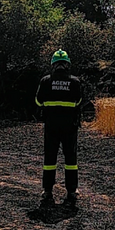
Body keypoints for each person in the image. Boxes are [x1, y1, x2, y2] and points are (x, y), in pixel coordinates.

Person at [35, 49, 83, 207]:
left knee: (49, 159)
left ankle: (47, 191)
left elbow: (38, 101)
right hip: (70, 126)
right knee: (71, 160)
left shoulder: (45, 81)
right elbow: (79, 101)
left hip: (51, 126)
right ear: (67, 64)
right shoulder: (75, 82)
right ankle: (72, 191)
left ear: (53, 64)